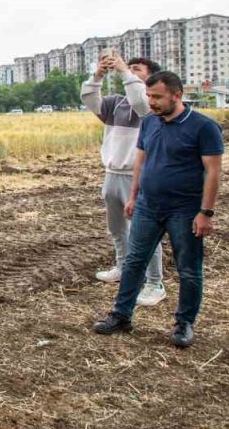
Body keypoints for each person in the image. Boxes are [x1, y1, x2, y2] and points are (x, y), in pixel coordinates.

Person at [93, 72, 222, 348]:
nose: (151, 102)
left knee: (188, 268)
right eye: (149, 96)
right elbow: (141, 160)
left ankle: (184, 323)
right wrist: (134, 196)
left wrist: (205, 213)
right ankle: (121, 314)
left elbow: (213, 172)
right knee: (134, 261)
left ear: (178, 95)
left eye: (157, 97)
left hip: (185, 210)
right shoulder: (149, 123)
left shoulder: (204, 127)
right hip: (147, 206)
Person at [81, 53, 167, 307]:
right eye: (128, 68)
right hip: (112, 173)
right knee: (116, 228)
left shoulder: (152, 105)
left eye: (136, 69)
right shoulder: (116, 104)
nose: (128, 71)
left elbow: (141, 101)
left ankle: (154, 283)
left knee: (146, 231)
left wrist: (123, 72)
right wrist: (98, 74)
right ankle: (122, 266)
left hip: (138, 176)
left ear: (151, 78)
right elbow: (89, 99)